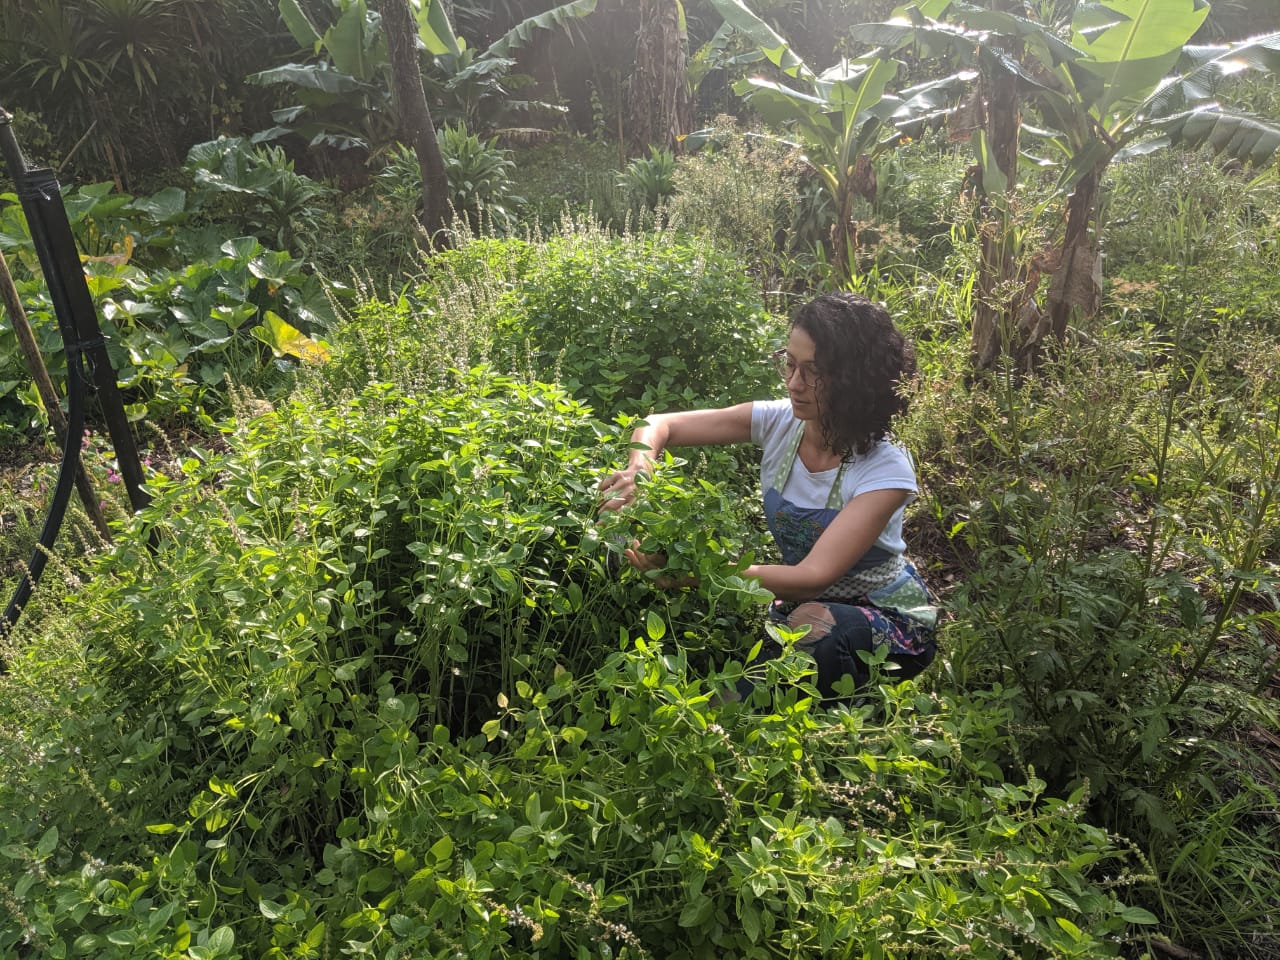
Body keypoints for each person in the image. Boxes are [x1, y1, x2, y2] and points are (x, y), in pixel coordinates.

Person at [598, 292, 937, 701]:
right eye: (790, 364)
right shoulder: (780, 421)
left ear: (854, 378)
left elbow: (814, 577)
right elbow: (659, 423)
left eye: (814, 372)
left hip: (882, 618)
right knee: (610, 518)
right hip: (798, 606)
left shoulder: (885, 467)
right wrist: (639, 469)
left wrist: (696, 574)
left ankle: (731, 723)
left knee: (812, 633)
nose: (795, 383)